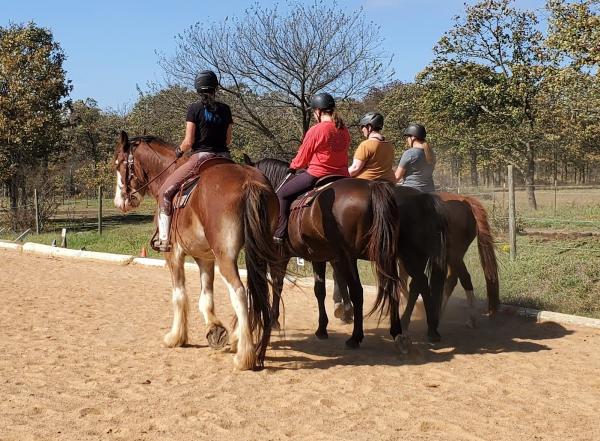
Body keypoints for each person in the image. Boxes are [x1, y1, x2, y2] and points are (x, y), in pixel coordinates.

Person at [153, 70, 233, 252]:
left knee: (164, 192)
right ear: (216, 88)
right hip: (225, 158)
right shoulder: (226, 109)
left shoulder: (194, 109)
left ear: (197, 88)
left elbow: (188, 141)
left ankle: (164, 239)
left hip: (201, 157)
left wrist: (179, 151)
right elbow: (228, 140)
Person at [273, 92, 351, 243]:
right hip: (343, 175)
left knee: (281, 194)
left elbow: (303, 157)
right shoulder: (344, 130)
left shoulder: (317, 130)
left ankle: (279, 233)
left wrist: (293, 167)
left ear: (318, 111)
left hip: (318, 174)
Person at [348, 112, 396, 183]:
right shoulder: (389, 145)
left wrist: (341, 175)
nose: (362, 130)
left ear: (369, 127)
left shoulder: (366, 145)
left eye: (362, 126)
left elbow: (355, 168)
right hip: (389, 183)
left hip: (367, 183)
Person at [395, 123, 435, 192]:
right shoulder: (431, 153)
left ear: (413, 137)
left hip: (411, 192)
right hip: (430, 191)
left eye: (408, 137)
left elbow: (397, 177)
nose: (407, 140)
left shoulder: (409, 153)